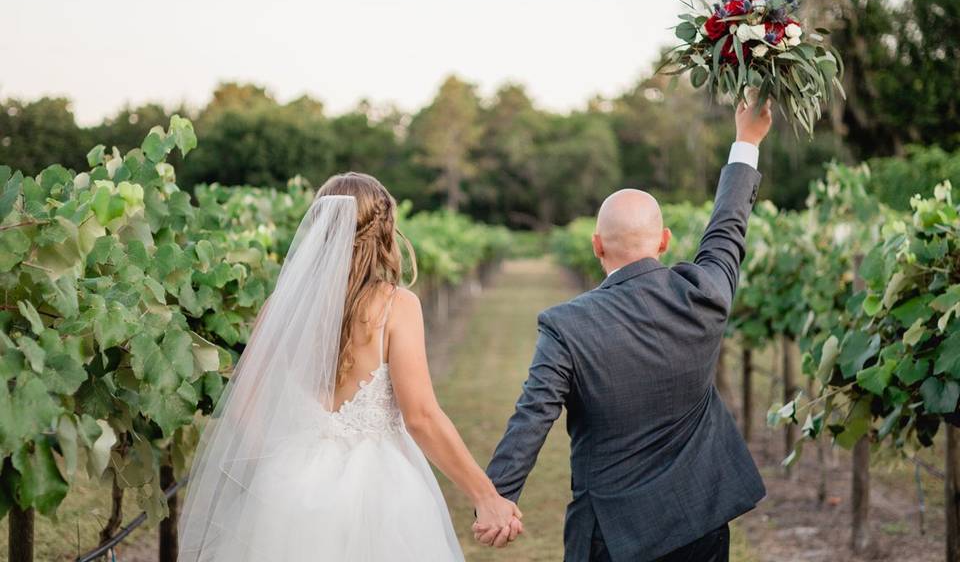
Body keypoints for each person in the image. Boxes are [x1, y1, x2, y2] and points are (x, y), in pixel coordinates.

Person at [476, 98, 773, 561]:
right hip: (701, 522)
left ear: (596, 246)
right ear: (664, 240)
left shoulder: (565, 326)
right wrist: (746, 141)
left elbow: (532, 416)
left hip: (611, 536)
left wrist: (497, 495)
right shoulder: (705, 293)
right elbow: (727, 228)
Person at [178, 172, 522, 561]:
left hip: (288, 487)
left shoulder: (283, 308)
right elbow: (421, 417)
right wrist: (486, 496)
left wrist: (281, 470)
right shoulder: (396, 306)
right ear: (385, 231)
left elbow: (244, 403)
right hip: (380, 491)